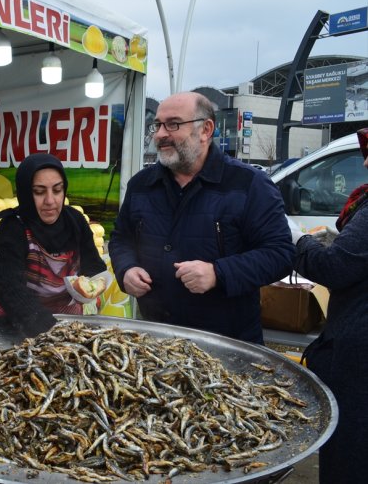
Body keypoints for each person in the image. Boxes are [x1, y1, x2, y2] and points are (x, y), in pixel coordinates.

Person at [108, 92, 294, 344]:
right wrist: (126, 269)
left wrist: (219, 273)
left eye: (173, 124)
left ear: (206, 130)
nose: (160, 134)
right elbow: (121, 239)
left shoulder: (249, 185)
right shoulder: (141, 185)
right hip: (155, 341)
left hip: (225, 345)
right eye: (158, 125)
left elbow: (280, 254)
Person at [290, 127, 368, 484]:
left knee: (350, 449)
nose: (365, 162)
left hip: (359, 354)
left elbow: (333, 269)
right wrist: (344, 242)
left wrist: (300, 240)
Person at [0, 153, 106, 335]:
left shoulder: (75, 221)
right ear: (26, 193)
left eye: (57, 190)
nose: (50, 201)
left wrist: (89, 287)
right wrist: (48, 329)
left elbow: (93, 266)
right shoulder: (12, 228)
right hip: (17, 319)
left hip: (66, 315)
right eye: (39, 191)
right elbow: (10, 289)